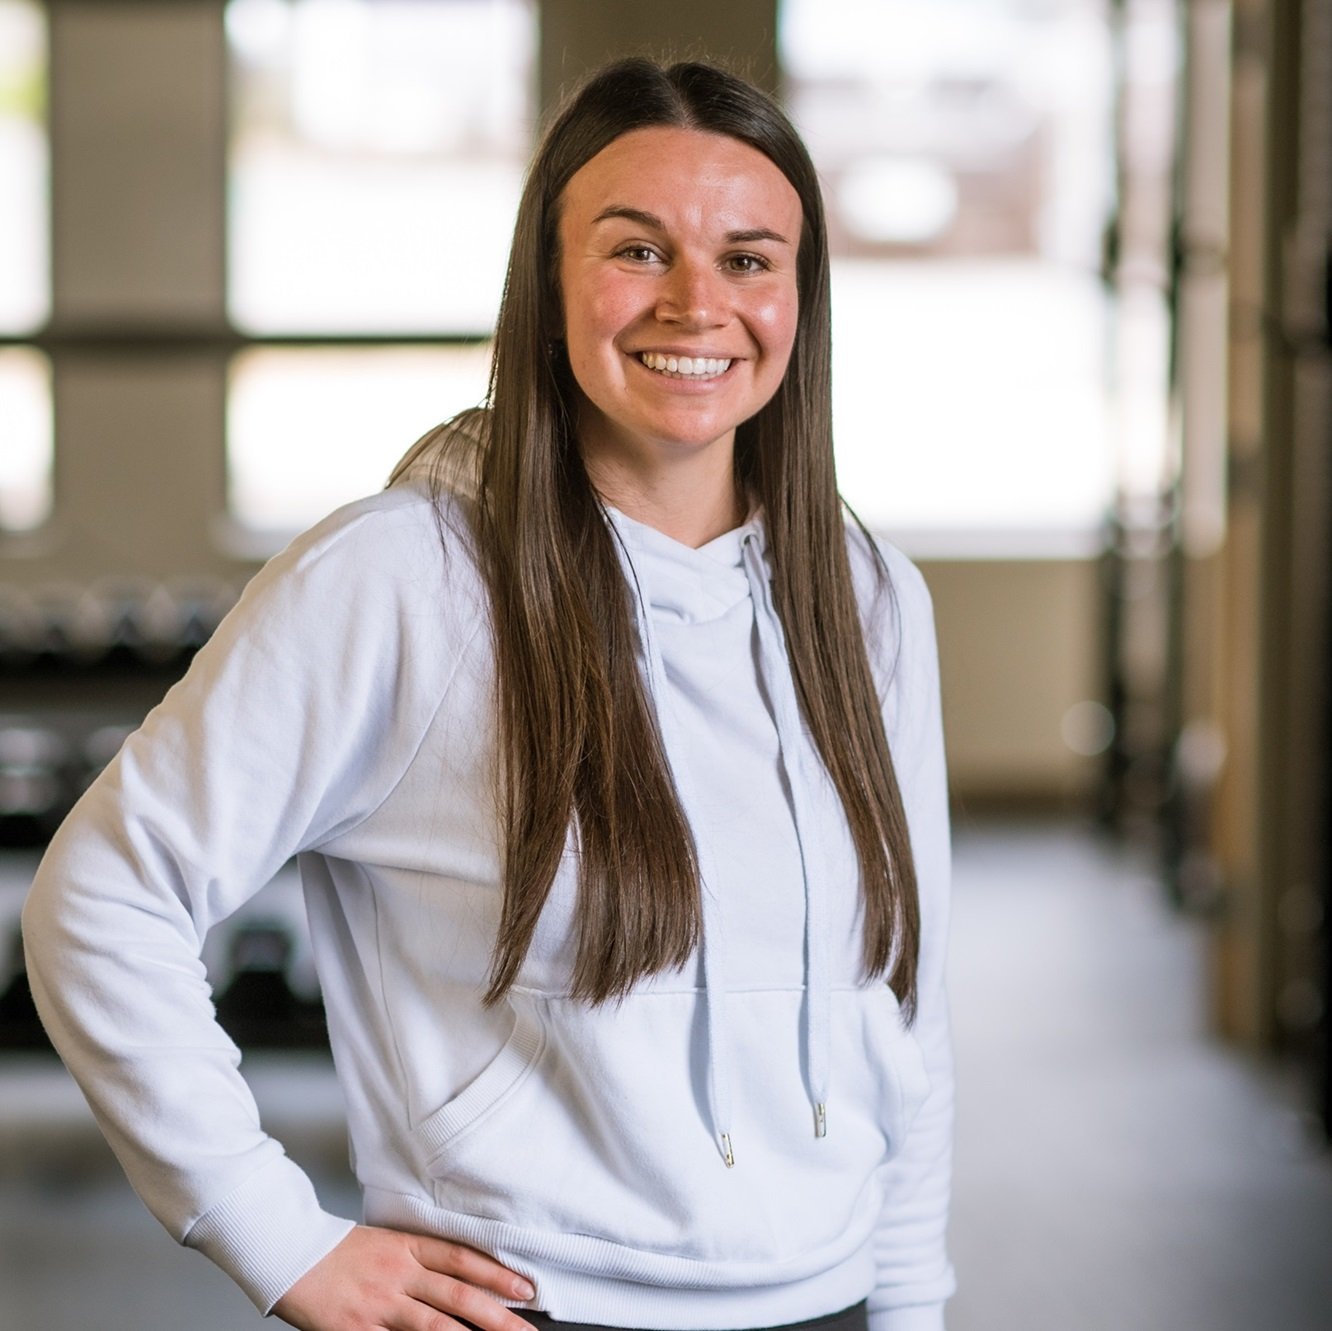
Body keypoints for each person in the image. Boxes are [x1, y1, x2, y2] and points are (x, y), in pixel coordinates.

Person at [21, 57, 955, 1331]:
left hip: (827, 1300)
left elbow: (904, 1010)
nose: (698, 302)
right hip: (527, 1304)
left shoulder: (868, 596)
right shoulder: (404, 579)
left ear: (800, 298)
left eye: (748, 259)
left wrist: (908, 1304)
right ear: (548, 285)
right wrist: (275, 1233)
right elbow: (105, 894)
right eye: (638, 250)